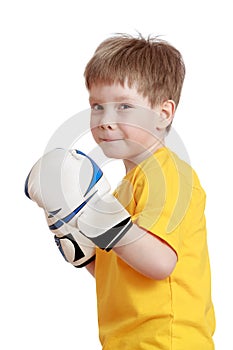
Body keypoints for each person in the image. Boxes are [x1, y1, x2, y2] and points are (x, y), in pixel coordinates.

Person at [82, 33, 216, 349]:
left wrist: (95, 217)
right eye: (97, 106)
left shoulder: (168, 175)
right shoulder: (122, 194)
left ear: (163, 113)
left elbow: (159, 263)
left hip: (166, 341)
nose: (105, 120)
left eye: (124, 106)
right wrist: (69, 228)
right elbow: (116, 270)